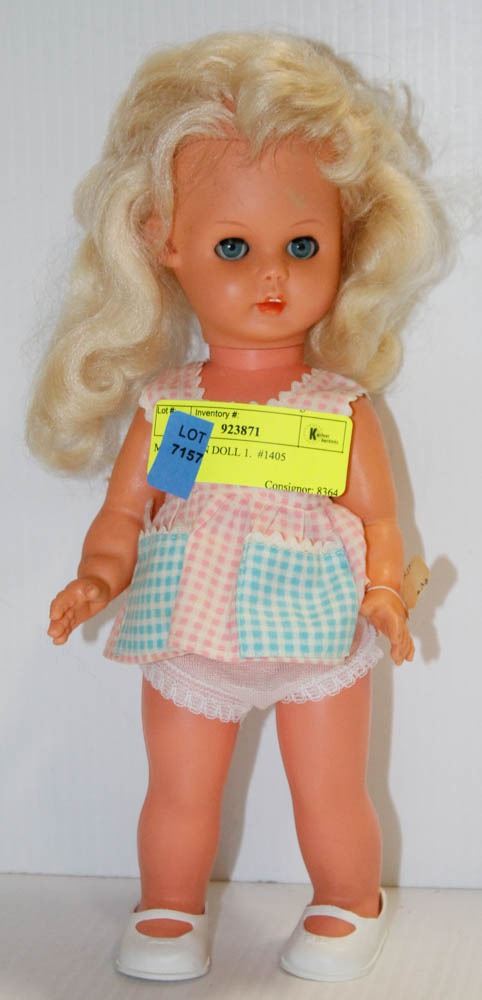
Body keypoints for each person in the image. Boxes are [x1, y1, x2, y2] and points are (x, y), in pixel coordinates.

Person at [27, 31, 450, 982]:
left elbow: (380, 520)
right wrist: (99, 574)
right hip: (191, 634)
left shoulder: (336, 406)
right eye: (234, 245)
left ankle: (349, 898)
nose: (272, 274)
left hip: (318, 637)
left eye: (303, 245)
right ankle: (169, 905)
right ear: (163, 243)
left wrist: (387, 590)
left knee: (329, 791)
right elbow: (129, 510)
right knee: (179, 791)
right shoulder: (175, 408)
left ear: (346, 246)